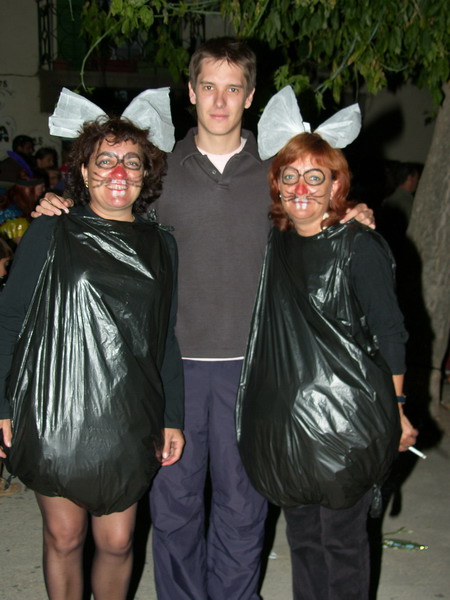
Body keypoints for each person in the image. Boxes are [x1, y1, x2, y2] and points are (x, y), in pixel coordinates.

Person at [32, 38, 374, 600]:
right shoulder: (159, 171)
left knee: (244, 506)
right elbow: (108, 207)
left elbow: (316, 212)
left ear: (251, 96)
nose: (219, 100)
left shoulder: (276, 170)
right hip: (171, 369)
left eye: (232, 88)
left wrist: (350, 212)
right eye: (208, 87)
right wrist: (58, 204)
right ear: (190, 92)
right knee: (174, 506)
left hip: (256, 369)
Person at [0, 88, 184, 600]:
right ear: (84, 171)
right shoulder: (51, 230)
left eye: (131, 162)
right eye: (105, 161)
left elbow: (164, 334)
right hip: (54, 404)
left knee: (118, 541)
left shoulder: (161, 244)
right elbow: (9, 318)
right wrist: (1, 403)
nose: (118, 172)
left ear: (145, 174)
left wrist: (173, 415)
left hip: (127, 411)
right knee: (64, 536)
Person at [236, 87, 418, 600]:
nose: (301, 188)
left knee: (341, 542)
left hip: (347, 423)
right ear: (276, 183)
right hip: (289, 428)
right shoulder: (275, 242)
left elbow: (391, 331)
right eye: (290, 176)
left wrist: (398, 407)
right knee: (303, 540)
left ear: (336, 184)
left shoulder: (360, 245)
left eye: (315, 177)